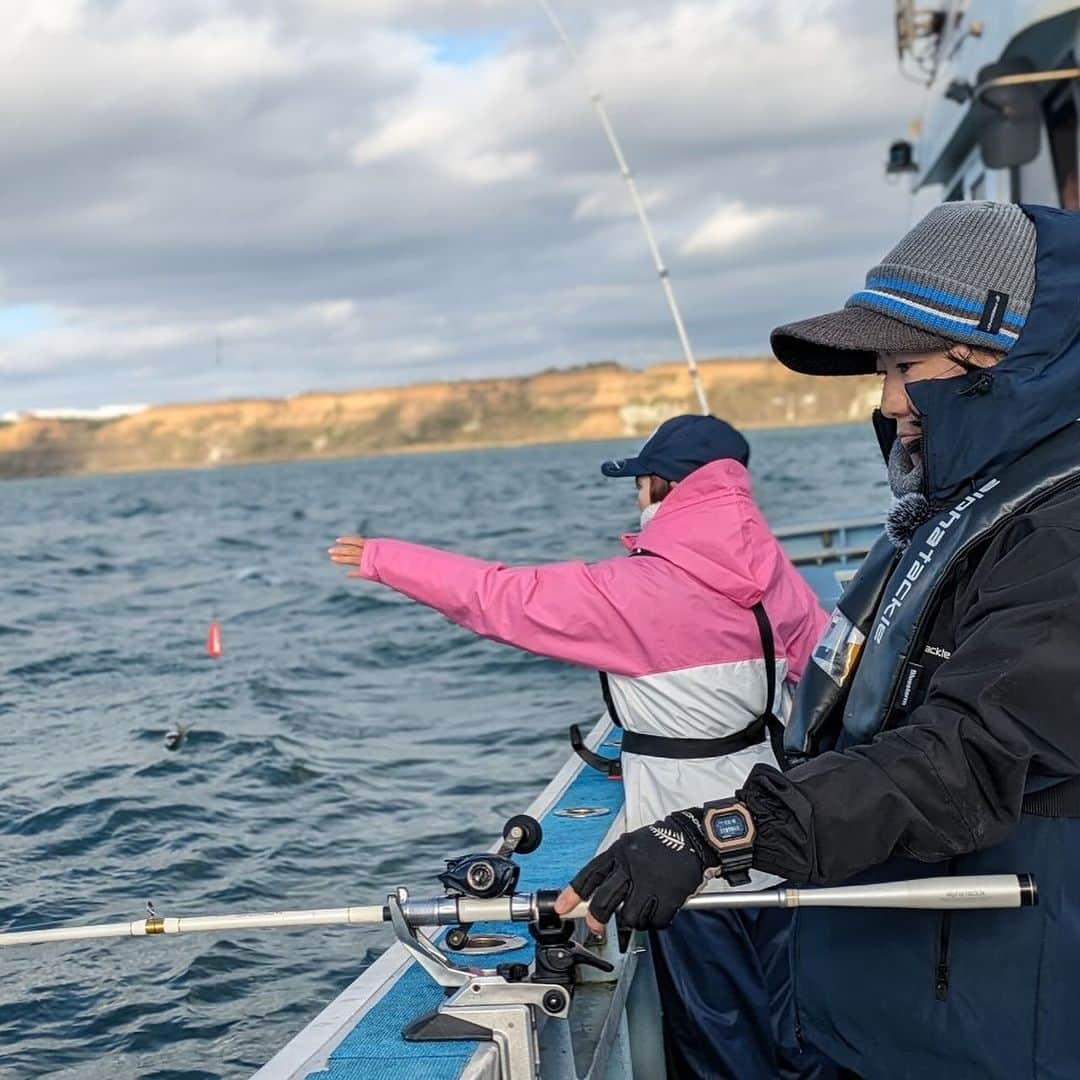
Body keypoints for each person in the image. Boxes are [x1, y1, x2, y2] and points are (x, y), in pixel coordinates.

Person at [557, 200, 1080, 1080]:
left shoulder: (1062, 532)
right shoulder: (962, 509)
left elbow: (968, 756)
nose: (888, 403)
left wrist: (723, 831)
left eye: (909, 369)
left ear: (1004, 361)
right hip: (894, 1011)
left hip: (990, 1034)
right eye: (883, 372)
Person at [328, 414, 828, 1078]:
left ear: (659, 487)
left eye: (640, 485)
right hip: (772, 828)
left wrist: (383, 559)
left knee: (721, 1040)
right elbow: (821, 675)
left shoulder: (633, 593)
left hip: (679, 853)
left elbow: (500, 598)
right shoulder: (775, 578)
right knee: (792, 1027)